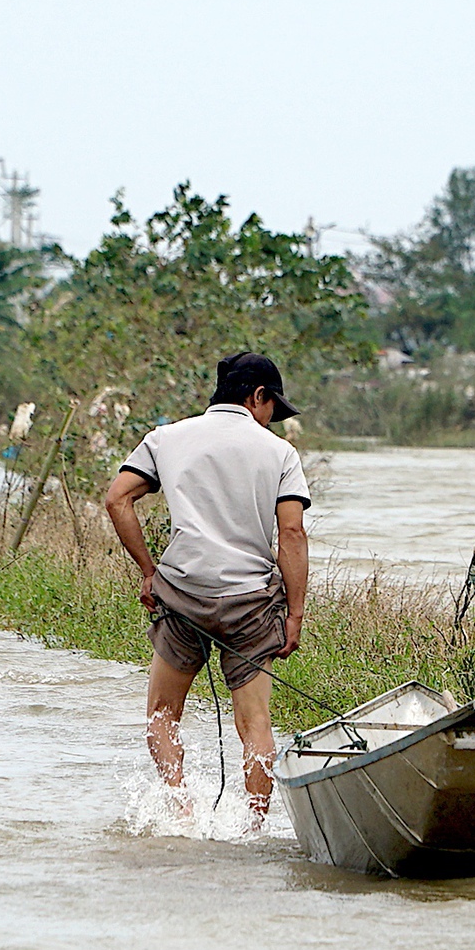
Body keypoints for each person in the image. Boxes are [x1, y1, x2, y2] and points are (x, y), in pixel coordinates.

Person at [101, 352, 310, 826]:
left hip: (182, 596)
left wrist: (148, 570)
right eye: (272, 408)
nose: (271, 420)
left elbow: (117, 499)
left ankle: (181, 809)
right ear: (257, 396)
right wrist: (294, 615)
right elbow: (292, 534)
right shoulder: (280, 454)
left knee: (161, 713)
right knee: (256, 724)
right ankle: (254, 827)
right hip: (251, 606)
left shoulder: (165, 438)